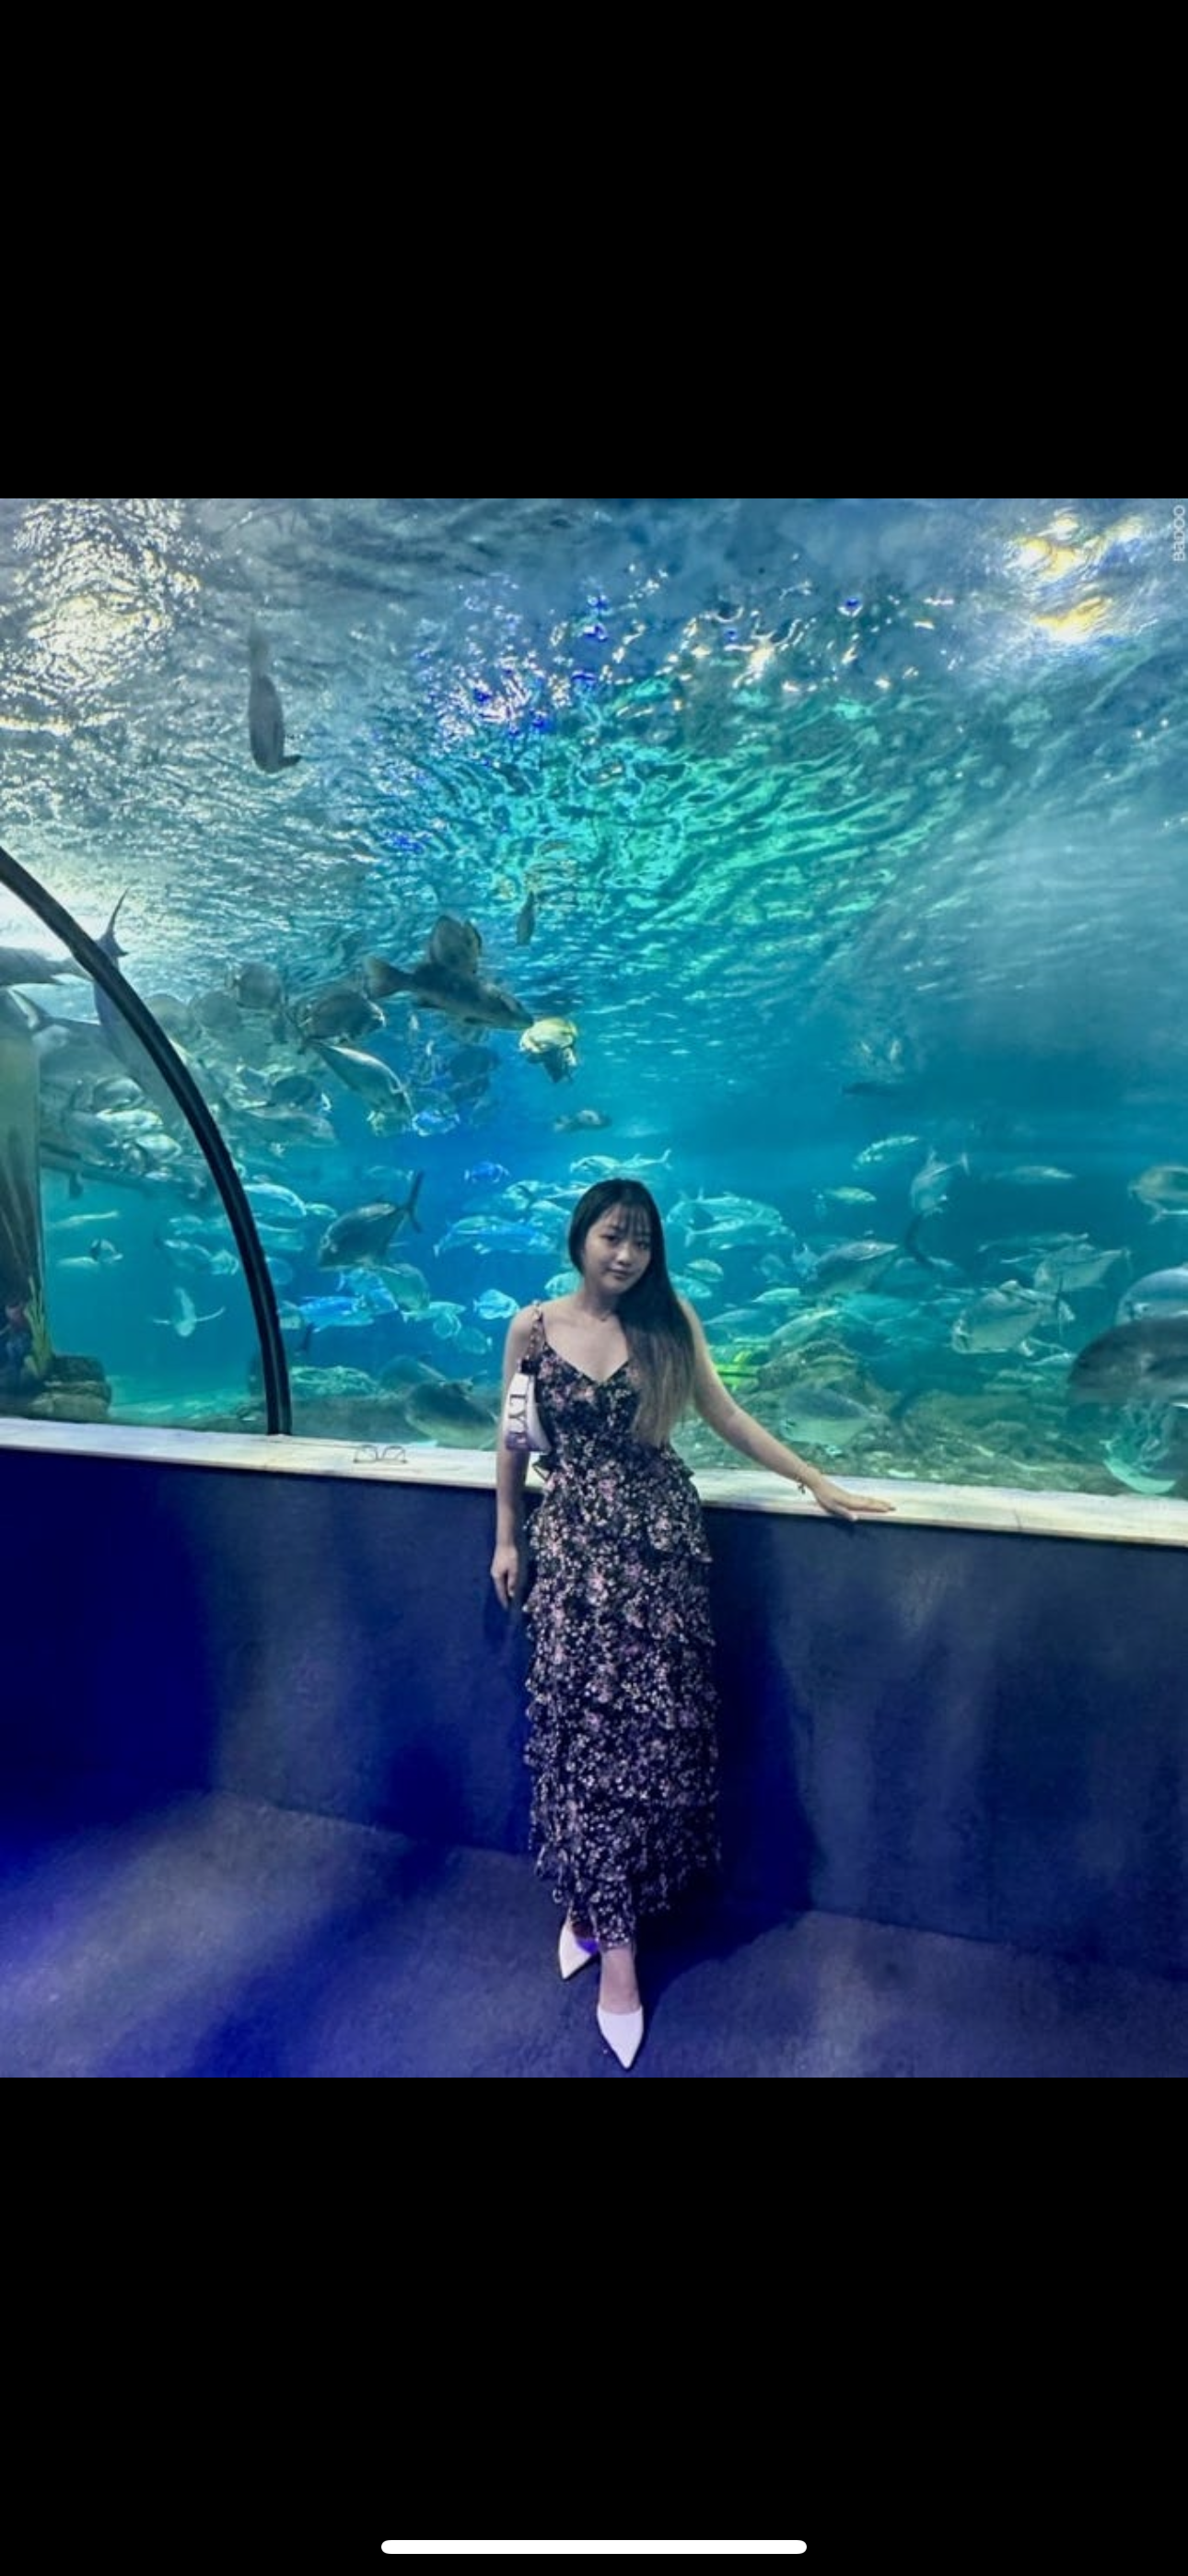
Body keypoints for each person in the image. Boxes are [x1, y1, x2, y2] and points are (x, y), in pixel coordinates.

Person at [491, 1177, 893, 2069]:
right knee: (579, 1732)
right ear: (581, 1237)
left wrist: (814, 1480)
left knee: (650, 1739)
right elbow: (515, 1439)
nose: (625, 1254)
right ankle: (608, 1932)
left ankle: (611, 1909)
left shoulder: (670, 1321)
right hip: (576, 1556)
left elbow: (726, 1413)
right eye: (611, 1235)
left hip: (661, 1553)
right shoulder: (532, 1328)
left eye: (640, 1240)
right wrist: (507, 1535)